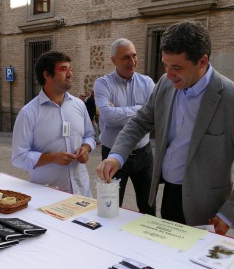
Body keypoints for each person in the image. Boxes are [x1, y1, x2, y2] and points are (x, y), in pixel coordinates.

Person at [96, 21, 234, 235]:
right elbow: (140, 121)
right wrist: (116, 156)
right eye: (165, 66)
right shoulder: (165, 84)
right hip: (168, 194)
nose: (169, 75)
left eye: (177, 67)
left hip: (208, 209)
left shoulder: (229, 97)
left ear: (202, 61)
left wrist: (228, 214)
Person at [12, 51, 95, 197]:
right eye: (63, 69)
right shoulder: (28, 113)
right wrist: (53, 158)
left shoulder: (79, 105)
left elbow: (89, 135)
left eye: (70, 69)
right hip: (48, 194)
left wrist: (86, 148)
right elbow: (19, 157)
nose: (70, 74)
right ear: (47, 75)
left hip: (82, 191)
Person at [94, 38, 155, 215]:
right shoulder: (103, 83)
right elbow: (107, 116)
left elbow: (154, 115)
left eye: (134, 56)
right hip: (113, 155)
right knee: (110, 207)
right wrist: (142, 109)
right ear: (113, 60)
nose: (132, 62)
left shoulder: (147, 83)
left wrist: (120, 111)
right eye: (126, 57)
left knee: (148, 207)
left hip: (144, 155)